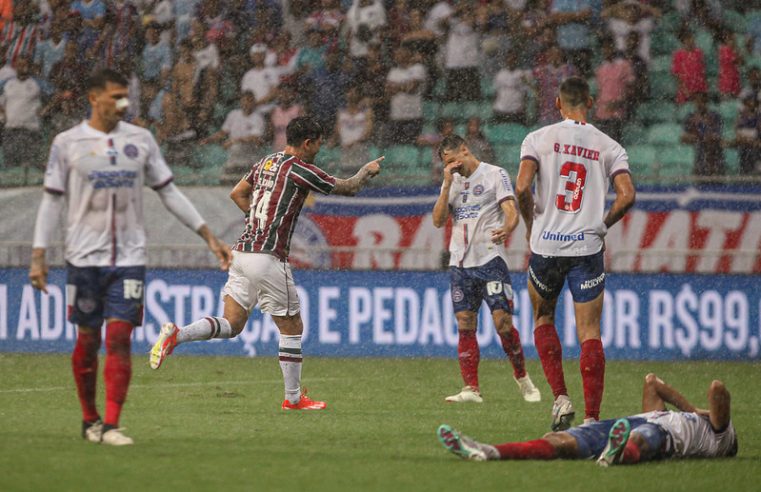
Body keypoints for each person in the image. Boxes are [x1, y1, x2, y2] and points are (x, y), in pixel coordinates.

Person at [28, 69, 232, 446]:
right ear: (93, 98)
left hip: (130, 258)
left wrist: (208, 234)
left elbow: (169, 192)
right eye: (116, 97)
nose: (123, 104)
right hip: (83, 259)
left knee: (120, 337)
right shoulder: (67, 143)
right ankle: (90, 419)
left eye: (126, 96)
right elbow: (52, 201)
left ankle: (112, 425)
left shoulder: (141, 140)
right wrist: (39, 254)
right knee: (88, 340)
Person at [150, 116, 383, 411]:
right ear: (308, 143)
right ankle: (294, 399)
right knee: (291, 326)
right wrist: (367, 170)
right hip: (267, 256)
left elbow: (237, 193)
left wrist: (259, 221)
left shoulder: (266, 163)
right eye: (319, 142)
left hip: (242, 251)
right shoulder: (302, 169)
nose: (321, 148)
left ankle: (177, 334)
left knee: (233, 323)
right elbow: (349, 187)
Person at [515, 76, 636, 430]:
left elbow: (522, 186)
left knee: (543, 318)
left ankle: (560, 397)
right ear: (592, 101)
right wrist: (603, 224)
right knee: (590, 332)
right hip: (587, 246)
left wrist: (530, 224)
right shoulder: (609, 146)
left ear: (557, 104)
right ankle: (593, 420)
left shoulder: (537, 139)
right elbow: (627, 195)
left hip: (547, 246)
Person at [432, 134, 541, 404]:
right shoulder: (452, 183)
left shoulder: (494, 174)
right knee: (465, 323)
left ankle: (522, 378)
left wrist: (509, 227)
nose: (452, 167)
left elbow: (511, 209)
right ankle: (471, 389)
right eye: (447, 164)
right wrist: (446, 183)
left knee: (502, 323)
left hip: (491, 260)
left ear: (465, 150)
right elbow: (437, 220)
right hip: (460, 263)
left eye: (453, 160)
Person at [437, 373, 738, 465]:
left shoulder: (720, 437)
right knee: (559, 442)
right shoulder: (692, 419)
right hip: (625, 424)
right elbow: (651, 383)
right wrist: (689, 409)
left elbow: (717, 389)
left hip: (664, 438)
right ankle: (489, 451)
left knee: (642, 440)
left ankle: (616, 454)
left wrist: (699, 412)